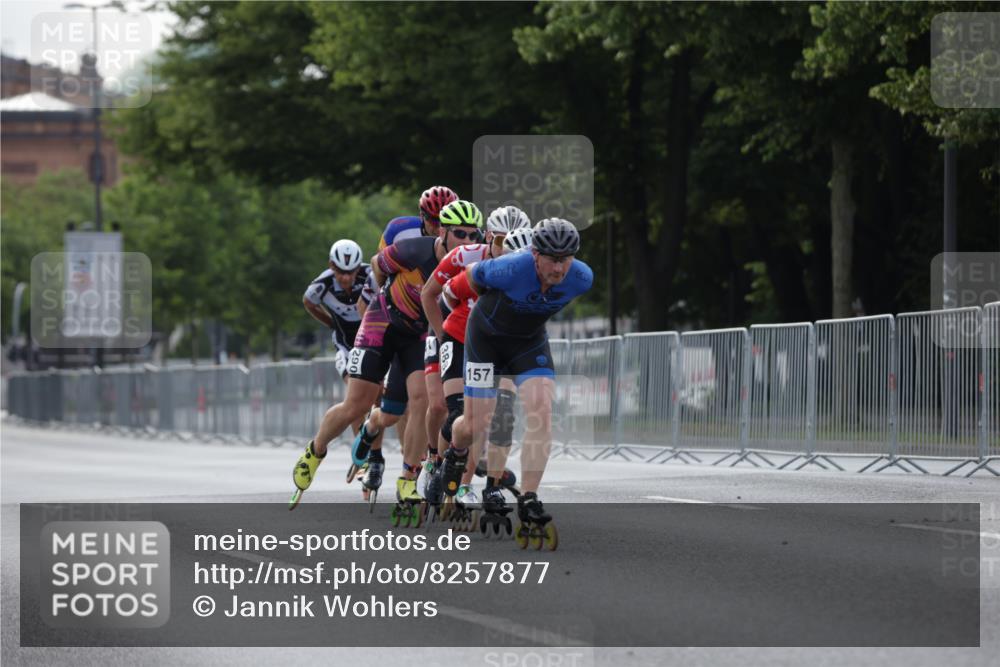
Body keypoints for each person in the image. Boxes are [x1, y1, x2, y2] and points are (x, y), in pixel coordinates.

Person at [290, 198, 484, 515]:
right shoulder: (412, 250)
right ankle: (316, 449)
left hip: (418, 334)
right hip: (382, 322)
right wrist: (386, 296)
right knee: (359, 404)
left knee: (420, 400)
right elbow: (378, 265)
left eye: (473, 236)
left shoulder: (470, 260)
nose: (466, 242)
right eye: (459, 234)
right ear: (443, 231)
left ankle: (408, 477)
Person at [448, 219, 592, 545]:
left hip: (528, 342)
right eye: (552, 259)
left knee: (541, 409)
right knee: (476, 423)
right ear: (534, 254)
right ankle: (455, 452)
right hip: (485, 339)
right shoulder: (510, 268)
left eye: (565, 258)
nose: (559, 267)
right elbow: (470, 279)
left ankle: (528, 497)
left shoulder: (582, 278)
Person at [419, 207, 531, 511]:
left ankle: (483, 486)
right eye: (500, 242)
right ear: (488, 237)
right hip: (456, 335)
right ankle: (440, 463)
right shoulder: (466, 257)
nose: (507, 250)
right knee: (456, 413)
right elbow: (432, 295)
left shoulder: (532, 269)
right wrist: (441, 335)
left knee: (500, 417)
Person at [351, 187, 458, 494]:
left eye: (444, 222)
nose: (439, 228)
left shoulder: (459, 240)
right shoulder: (400, 230)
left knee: (421, 400)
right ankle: (372, 434)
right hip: (387, 308)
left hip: (423, 328)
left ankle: (411, 470)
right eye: (433, 220)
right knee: (390, 411)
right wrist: (381, 304)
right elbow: (379, 268)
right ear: (422, 216)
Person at [303, 240, 369, 383]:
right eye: (340, 271)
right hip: (344, 343)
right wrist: (331, 323)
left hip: (372, 340)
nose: (345, 277)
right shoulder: (321, 284)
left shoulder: (370, 275)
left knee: (380, 393)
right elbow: (308, 302)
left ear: (358, 268)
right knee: (355, 391)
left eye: (351, 272)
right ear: (331, 265)